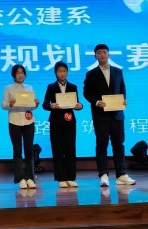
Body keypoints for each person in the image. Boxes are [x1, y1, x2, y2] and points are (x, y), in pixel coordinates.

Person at [82, 43, 136, 187]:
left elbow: (122, 88)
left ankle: (121, 174)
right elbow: (87, 93)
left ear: (109, 54)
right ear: (95, 56)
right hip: (101, 115)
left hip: (117, 114)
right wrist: (96, 102)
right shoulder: (91, 74)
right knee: (102, 145)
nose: (102, 54)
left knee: (119, 144)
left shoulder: (118, 71)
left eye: (104, 52)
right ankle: (103, 175)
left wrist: (123, 100)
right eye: (99, 52)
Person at [42, 61, 83, 188]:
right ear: (56, 73)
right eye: (59, 71)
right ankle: (61, 178)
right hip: (56, 122)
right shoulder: (51, 87)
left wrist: (80, 106)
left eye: (64, 71)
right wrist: (51, 105)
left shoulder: (73, 87)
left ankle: (71, 177)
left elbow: (77, 104)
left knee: (70, 149)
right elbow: (45, 104)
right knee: (58, 149)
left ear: (67, 72)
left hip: (70, 122)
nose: (62, 73)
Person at [2, 64, 40, 189]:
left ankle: (30, 177)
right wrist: (10, 103)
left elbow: (32, 107)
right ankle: (20, 179)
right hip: (14, 121)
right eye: (18, 73)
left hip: (28, 121)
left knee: (29, 150)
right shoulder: (8, 88)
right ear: (13, 75)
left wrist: (35, 104)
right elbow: (3, 105)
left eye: (22, 73)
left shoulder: (30, 88)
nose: (20, 75)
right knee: (17, 151)